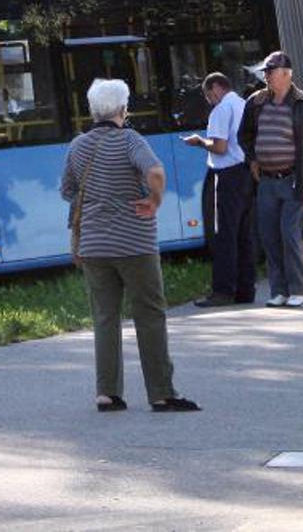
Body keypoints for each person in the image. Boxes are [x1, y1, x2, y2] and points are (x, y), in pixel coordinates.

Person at [61, 78, 200, 414]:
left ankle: (107, 393)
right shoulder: (130, 140)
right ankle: (161, 393)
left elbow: (68, 190)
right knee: (149, 314)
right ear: (123, 109)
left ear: (93, 110)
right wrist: (154, 200)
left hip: (93, 245)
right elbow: (155, 172)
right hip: (134, 243)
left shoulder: (78, 146)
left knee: (105, 317)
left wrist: (98, 197)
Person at [236, 51, 303, 308]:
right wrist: (252, 159)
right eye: (265, 71)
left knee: (289, 234)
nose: (266, 75)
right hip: (266, 180)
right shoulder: (256, 102)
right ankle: (279, 291)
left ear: (286, 74)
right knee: (269, 235)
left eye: (270, 71)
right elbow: (244, 135)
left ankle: (298, 289)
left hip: (296, 180)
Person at [184, 73, 256, 307]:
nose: (208, 100)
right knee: (244, 234)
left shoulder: (221, 110)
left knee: (224, 235)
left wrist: (199, 142)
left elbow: (220, 147)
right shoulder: (244, 104)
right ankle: (246, 290)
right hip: (246, 172)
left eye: (207, 95)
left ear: (216, 88)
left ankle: (223, 291)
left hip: (228, 175)